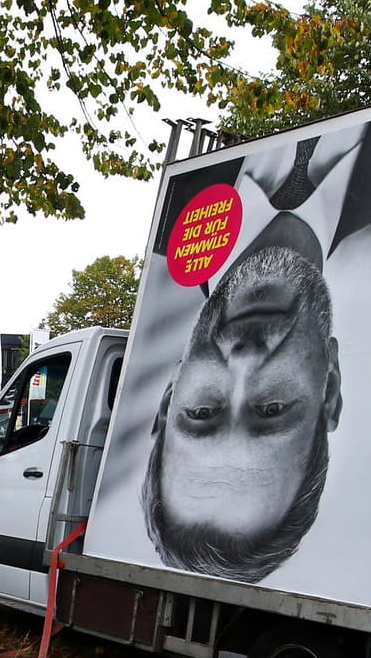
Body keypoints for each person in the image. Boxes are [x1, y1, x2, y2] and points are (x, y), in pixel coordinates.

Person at [141, 129, 359, 583]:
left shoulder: (172, 215)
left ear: (170, 396)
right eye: (272, 409)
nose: (243, 359)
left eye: (202, 412)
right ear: (331, 388)